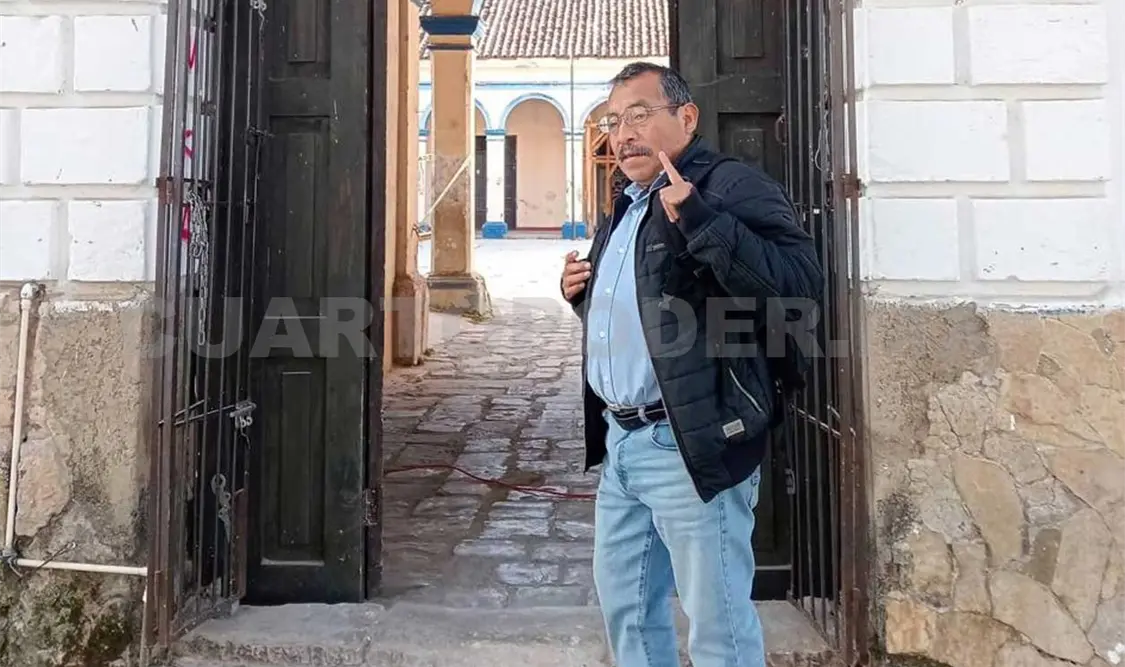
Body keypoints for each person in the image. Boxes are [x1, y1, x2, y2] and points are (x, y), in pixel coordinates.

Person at [560, 62, 824, 667]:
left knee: (718, 627)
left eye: (639, 115)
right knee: (628, 613)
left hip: (690, 442)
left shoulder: (730, 187)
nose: (623, 134)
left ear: (686, 117)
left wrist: (704, 221)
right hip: (622, 443)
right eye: (613, 121)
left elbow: (799, 289)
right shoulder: (627, 203)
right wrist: (583, 295)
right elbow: (653, 310)